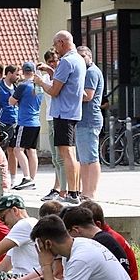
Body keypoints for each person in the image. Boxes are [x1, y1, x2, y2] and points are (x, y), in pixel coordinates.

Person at [39, 31, 85, 203]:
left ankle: (72, 192)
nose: (55, 50)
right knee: (71, 153)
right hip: (73, 111)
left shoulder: (66, 61)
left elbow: (54, 90)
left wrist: (41, 82)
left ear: (61, 42)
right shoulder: (79, 59)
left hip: (63, 112)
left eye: (56, 45)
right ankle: (76, 191)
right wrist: (51, 71)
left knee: (66, 154)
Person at [9, 62, 43, 190]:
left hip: (25, 122)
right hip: (36, 122)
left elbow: (11, 101)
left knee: (18, 149)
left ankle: (26, 177)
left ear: (23, 71)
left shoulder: (22, 86)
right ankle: (32, 179)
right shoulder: (38, 87)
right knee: (31, 150)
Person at [77, 46, 105, 199]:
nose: (81, 59)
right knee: (83, 159)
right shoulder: (84, 72)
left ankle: (91, 192)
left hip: (89, 120)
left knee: (91, 157)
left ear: (90, 56)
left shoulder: (91, 72)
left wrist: (70, 91)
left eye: (83, 56)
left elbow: (88, 95)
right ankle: (84, 191)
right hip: (83, 120)